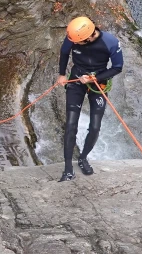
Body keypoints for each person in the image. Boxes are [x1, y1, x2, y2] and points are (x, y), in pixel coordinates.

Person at [56, 16, 123, 182]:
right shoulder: (74, 36)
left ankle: (83, 157)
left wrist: (95, 78)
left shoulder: (110, 42)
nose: (74, 44)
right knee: (71, 124)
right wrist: (62, 74)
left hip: (98, 81)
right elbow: (64, 52)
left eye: (77, 43)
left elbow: (117, 67)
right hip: (77, 78)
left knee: (95, 126)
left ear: (88, 38)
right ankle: (68, 168)